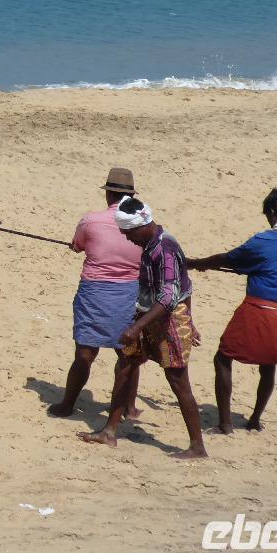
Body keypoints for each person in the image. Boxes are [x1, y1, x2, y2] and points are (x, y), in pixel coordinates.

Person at [79, 197, 208, 460]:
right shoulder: (151, 244)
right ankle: (110, 431)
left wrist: (138, 326)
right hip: (147, 315)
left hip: (168, 320)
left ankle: (197, 446)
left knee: (178, 382)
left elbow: (169, 296)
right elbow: (186, 284)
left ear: (140, 226)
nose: (128, 240)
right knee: (124, 367)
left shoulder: (165, 249)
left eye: (128, 234)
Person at [190, 188, 277, 434]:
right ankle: (254, 420)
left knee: (223, 357)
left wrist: (196, 264)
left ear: (273, 212)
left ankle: (225, 423)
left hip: (258, 309)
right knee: (268, 364)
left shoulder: (265, 241)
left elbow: (228, 259)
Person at [48, 167, 145, 417]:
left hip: (95, 292)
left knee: (85, 353)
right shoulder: (143, 225)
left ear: (108, 194)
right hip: (129, 293)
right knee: (127, 354)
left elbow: (78, 245)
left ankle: (67, 404)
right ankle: (130, 407)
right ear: (130, 197)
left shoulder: (91, 220)